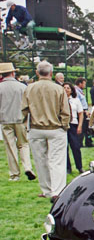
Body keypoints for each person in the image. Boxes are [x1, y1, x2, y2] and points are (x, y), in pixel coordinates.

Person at [21, 61, 70, 202]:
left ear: (37, 73)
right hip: (56, 128)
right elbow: (65, 110)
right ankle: (57, 190)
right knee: (57, 161)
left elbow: (24, 110)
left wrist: (26, 125)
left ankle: (47, 190)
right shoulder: (58, 89)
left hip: (36, 128)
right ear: (51, 73)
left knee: (40, 161)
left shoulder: (29, 88)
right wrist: (64, 126)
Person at [0, 62, 35, 182]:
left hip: (5, 120)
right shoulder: (22, 87)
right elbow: (29, 104)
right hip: (20, 119)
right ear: (13, 73)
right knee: (23, 144)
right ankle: (27, 167)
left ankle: (14, 174)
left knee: (10, 147)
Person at [63, 82, 84, 175]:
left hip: (73, 124)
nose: (66, 89)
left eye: (68, 88)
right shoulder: (60, 100)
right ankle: (68, 168)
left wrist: (79, 125)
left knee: (75, 146)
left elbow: (80, 113)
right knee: (64, 148)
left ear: (71, 90)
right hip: (63, 125)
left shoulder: (75, 100)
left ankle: (79, 166)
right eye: (64, 88)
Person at [74, 77, 92, 147]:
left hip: (84, 110)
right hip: (81, 111)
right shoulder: (76, 91)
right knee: (82, 127)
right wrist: (84, 111)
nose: (85, 85)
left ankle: (86, 142)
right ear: (80, 83)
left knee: (86, 128)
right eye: (84, 84)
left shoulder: (80, 91)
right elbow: (78, 103)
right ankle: (79, 143)